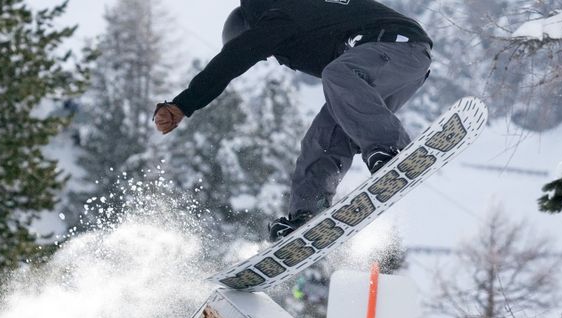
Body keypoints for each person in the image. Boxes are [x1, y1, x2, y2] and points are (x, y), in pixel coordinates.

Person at [153, 0, 432, 242]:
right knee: (323, 136)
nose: (266, 56)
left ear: (251, 32)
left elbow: (234, 58)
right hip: (380, 68)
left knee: (336, 75)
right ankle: (308, 215)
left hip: (398, 46)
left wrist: (183, 104)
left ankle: (392, 149)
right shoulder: (302, 22)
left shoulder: (275, 14)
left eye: (262, 52)